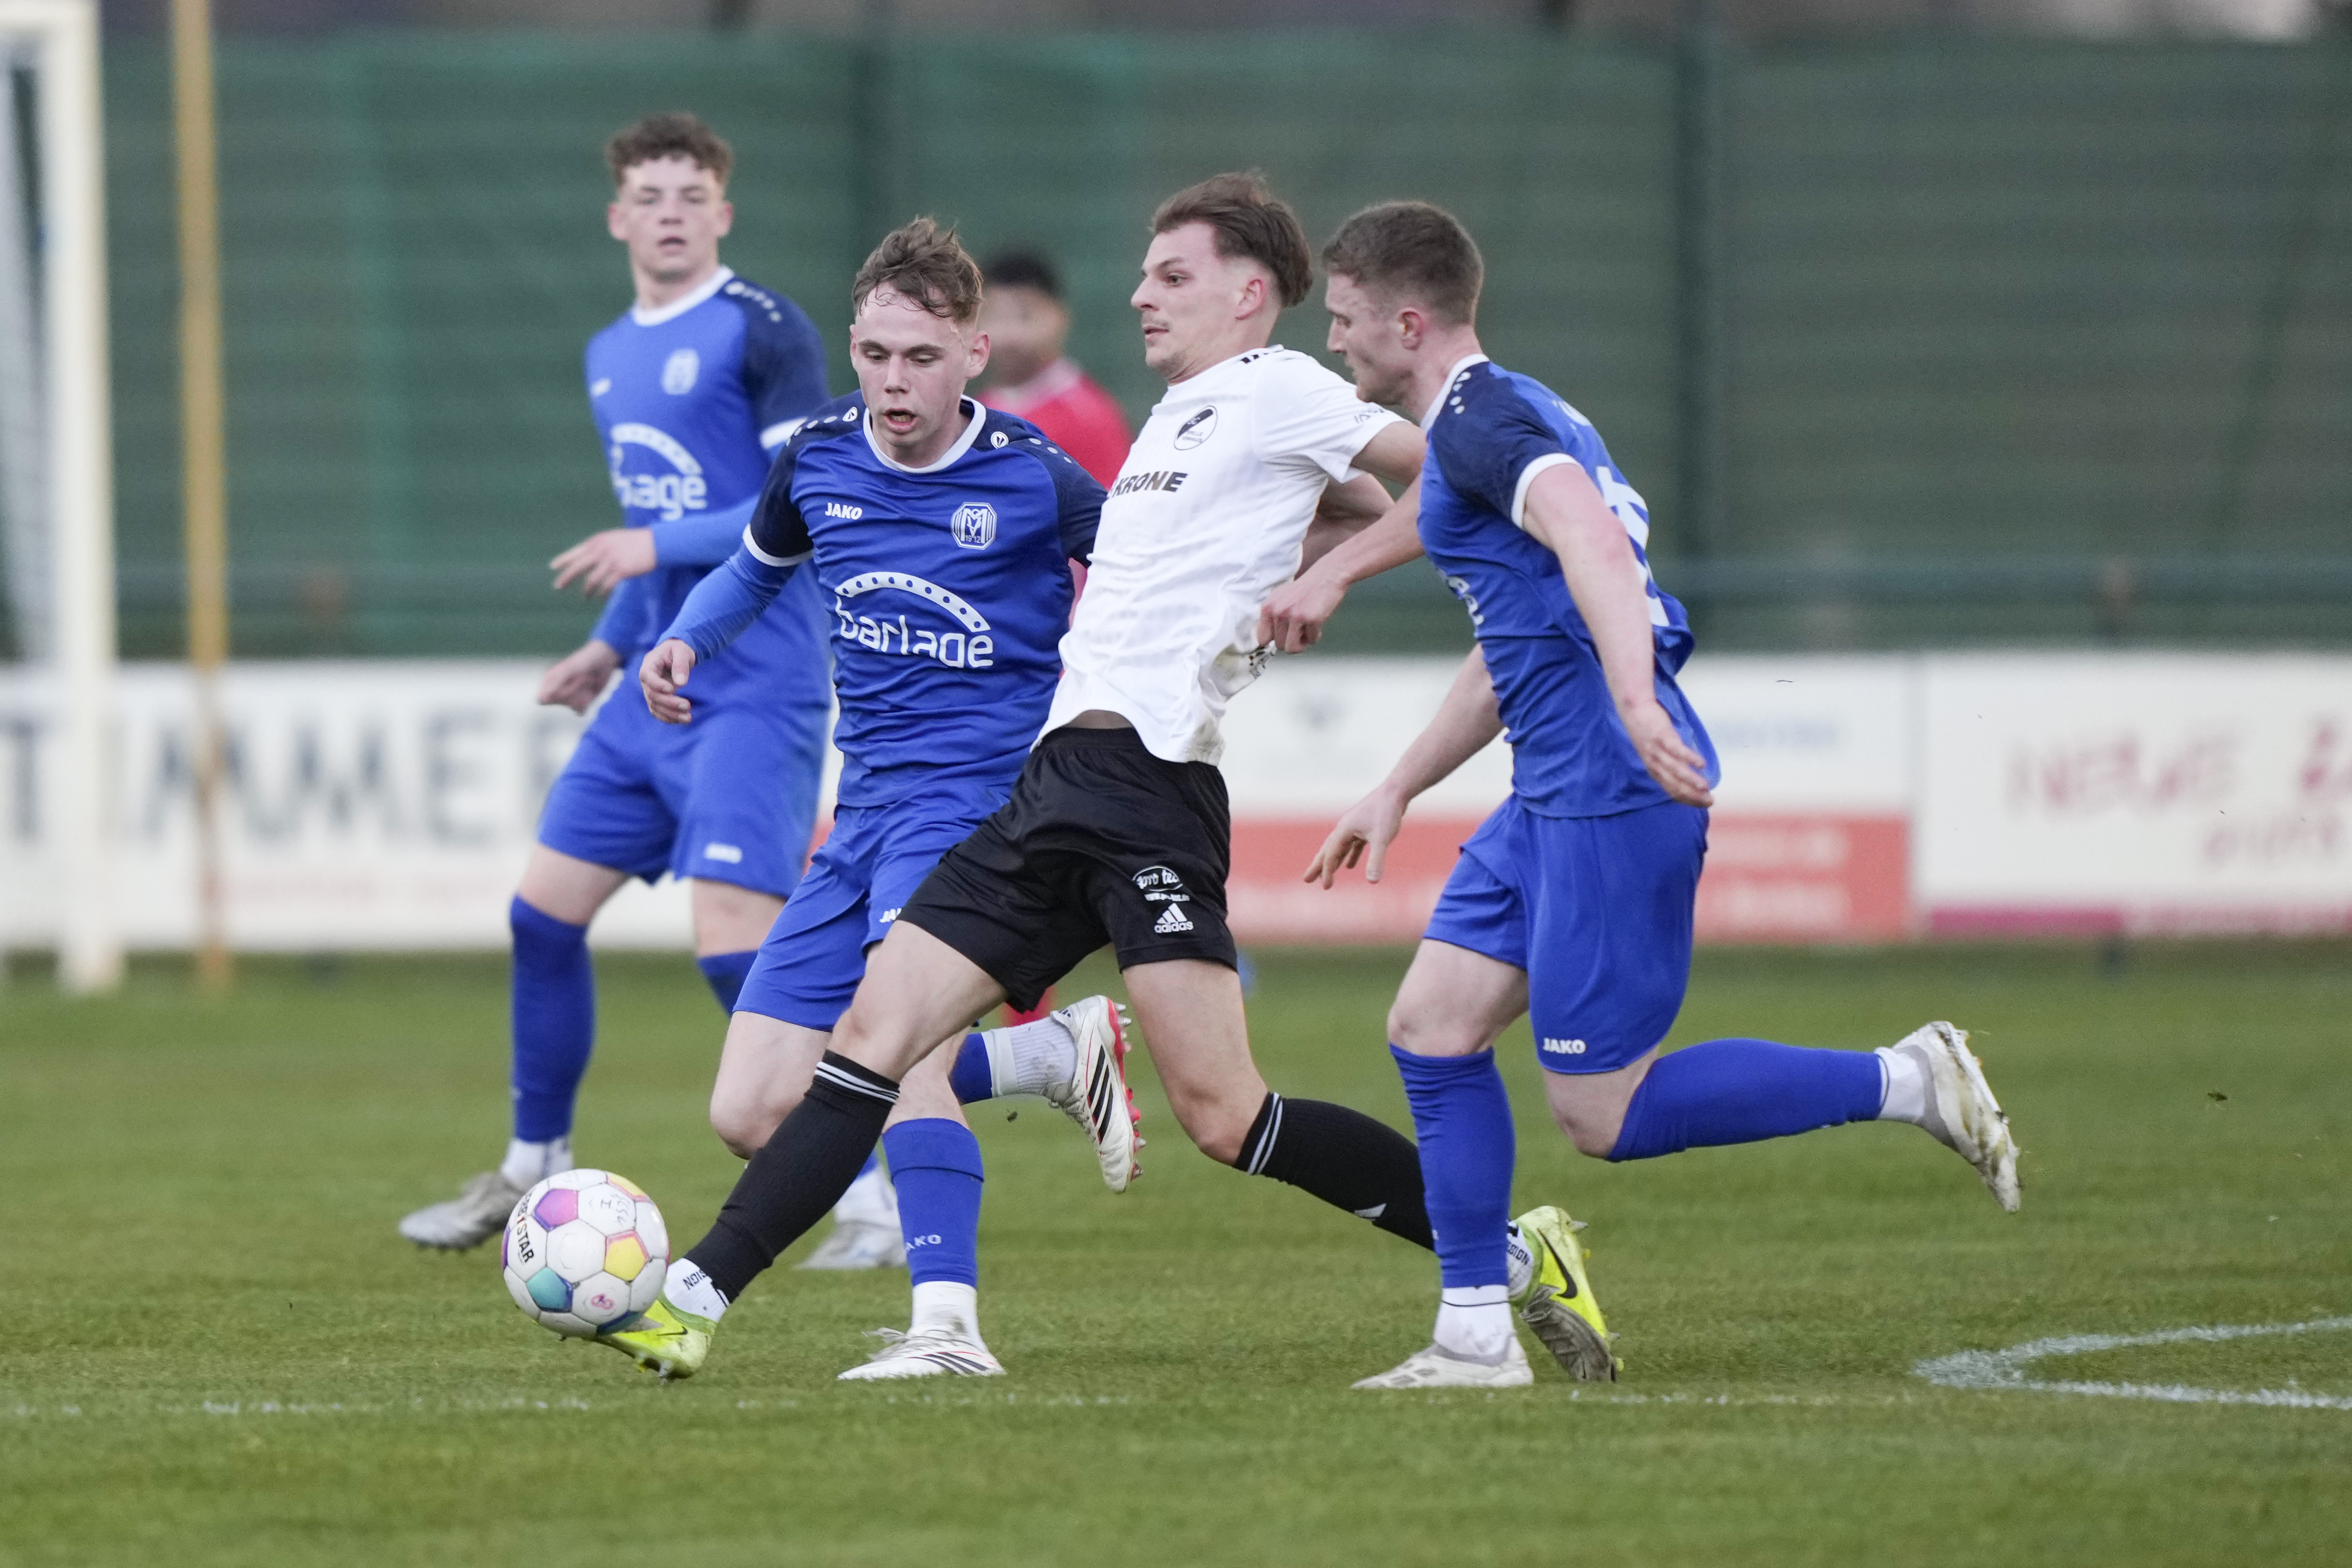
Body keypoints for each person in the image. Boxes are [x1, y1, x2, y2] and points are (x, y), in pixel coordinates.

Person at [599, 173, 1611, 1386]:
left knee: (1226, 1115)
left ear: (1250, 293)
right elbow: (1326, 511)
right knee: (871, 1037)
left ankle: (1510, 1253)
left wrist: (1334, 573)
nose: (1139, 294)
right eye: (1143, 273)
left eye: (1170, 275)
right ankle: (693, 1299)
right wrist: (1299, 553)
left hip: (1149, 793)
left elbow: (1448, 468)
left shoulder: (1282, 385)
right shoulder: (1176, 420)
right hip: (1051, 783)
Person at [1298, 200, 2021, 1390]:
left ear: (1407, 321)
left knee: (1602, 1113)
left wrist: (1634, 699)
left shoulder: (1482, 421)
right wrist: (1394, 785)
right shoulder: (1503, 416)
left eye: (1344, 318)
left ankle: (1906, 1077)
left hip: (1606, 786)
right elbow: (1512, 645)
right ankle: (1473, 1335)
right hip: (1549, 791)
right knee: (1429, 1025)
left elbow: (1589, 541)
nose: (1334, 340)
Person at [628, 218, 1139, 1379]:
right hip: (859, 817)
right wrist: (687, 639)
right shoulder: (817, 456)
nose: (893, 380)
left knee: (902, 1057)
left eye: (920, 356)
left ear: (973, 353)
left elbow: (1145, 574)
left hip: (976, 816)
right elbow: (754, 568)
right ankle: (1044, 1056)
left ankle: (947, 1326)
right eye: (873, 353)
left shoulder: (1030, 472)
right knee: (753, 1106)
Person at [398, 113, 848, 1254]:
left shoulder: (762, 326)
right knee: (541, 914)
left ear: (723, 212)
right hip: (649, 681)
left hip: (757, 683)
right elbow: (659, 519)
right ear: (617, 219)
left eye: (691, 195)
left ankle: (874, 1192)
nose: (670, 214)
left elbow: (802, 494)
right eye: (649, 196)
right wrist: (609, 642)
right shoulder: (609, 351)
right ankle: (530, 1163)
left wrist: (651, 548)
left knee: (737, 954)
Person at [977, 251, 1132, 488]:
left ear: (1060, 317)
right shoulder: (975, 410)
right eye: (995, 316)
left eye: (1025, 316)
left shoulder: (1088, 418)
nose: (1009, 334)